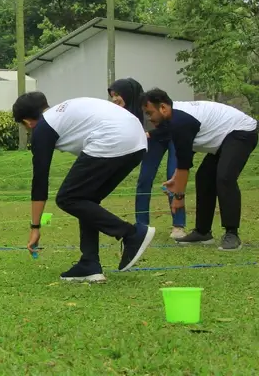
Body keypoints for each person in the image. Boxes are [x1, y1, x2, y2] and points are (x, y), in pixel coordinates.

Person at [13, 92, 154, 283]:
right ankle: (89, 264)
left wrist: (35, 227)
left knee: (68, 198)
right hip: (137, 140)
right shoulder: (62, 114)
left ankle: (131, 234)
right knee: (85, 199)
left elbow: (40, 180)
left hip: (113, 138)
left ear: (27, 122)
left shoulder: (43, 127)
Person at [142, 90, 258, 250]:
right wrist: (176, 180)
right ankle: (203, 232)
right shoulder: (172, 120)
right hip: (223, 139)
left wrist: (178, 197)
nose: (149, 118)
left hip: (241, 132)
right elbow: (183, 158)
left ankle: (232, 234)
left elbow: (184, 164)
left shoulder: (180, 121)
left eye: (149, 113)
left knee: (224, 178)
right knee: (203, 177)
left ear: (162, 107)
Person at [108, 78, 187, 239]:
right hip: (154, 141)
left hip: (173, 137)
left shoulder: (148, 103)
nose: (114, 99)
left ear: (128, 93)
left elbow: (169, 123)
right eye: (112, 95)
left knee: (173, 176)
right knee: (144, 179)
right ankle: (141, 225)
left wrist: (150, 133)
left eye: (117, 95)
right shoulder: (124, 111)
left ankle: (178, 226)